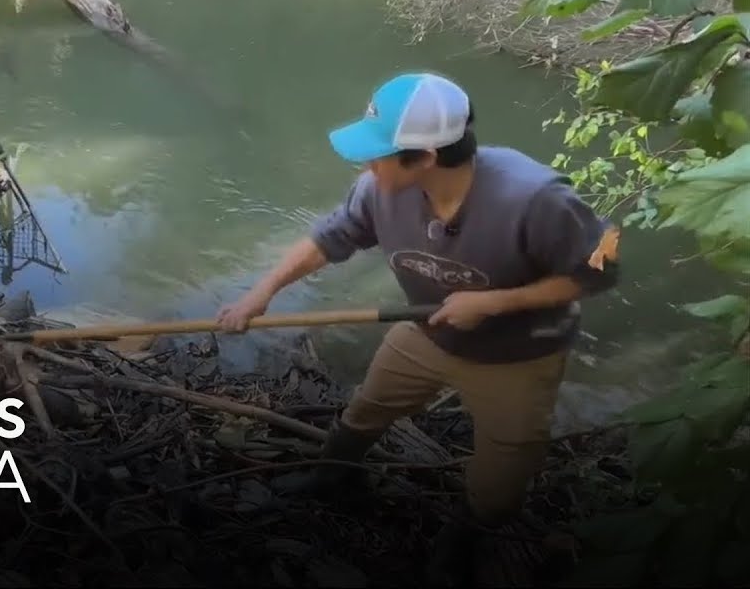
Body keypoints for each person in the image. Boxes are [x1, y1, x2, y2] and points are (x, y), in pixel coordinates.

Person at [215, 72, 619, 583]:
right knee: (364, 412)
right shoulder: (377, 189)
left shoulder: (536, 196)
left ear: (425, 158)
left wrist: (497, 302)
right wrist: (261, 292)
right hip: (426, 332)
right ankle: (333, 478)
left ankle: (461, 542)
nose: (365, 164)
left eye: (376, 154)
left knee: (499, 485)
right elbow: (329, 238)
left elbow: (601, 266)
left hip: (518, 358)